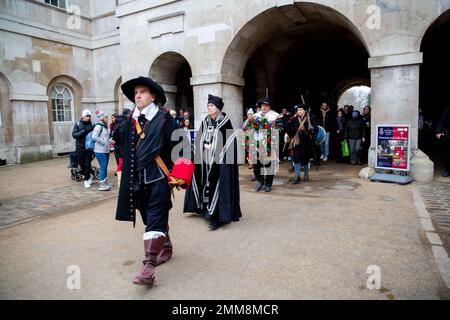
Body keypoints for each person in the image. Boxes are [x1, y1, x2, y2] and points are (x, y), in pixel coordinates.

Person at [115, 76, 177, 287]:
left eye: (142, 92)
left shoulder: (166, 120)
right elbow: (119, 141)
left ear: (153, 96)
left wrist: (180, 173)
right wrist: (125, 121)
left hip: (159, 178)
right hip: (136, 179)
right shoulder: (130, 121)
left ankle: (148, 267)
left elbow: (182, 147)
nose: (137, 95)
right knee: (149, 219)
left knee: (156, 216)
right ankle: (166, 246)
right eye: (135, 93)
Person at [184, 94, 242, 230]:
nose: (209, 108)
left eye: (211, 106)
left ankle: (218, 216)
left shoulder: (225, 122)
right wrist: (203, 145)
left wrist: (214, 147)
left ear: (217, 108)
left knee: (218, 186)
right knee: (203, 182)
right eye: (208, 105)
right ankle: (204, 209)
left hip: (220, 162)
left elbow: (229, 144)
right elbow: (199, 138)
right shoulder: (205, 121)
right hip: (205, 161)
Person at [252, 97, 284, 193]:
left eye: (266, 105)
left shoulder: (276, 116)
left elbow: (281, 129)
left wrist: (271, 129)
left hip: (270, 144)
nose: (264, 107)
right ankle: (261, 181)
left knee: (269, 166)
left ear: (269, 106)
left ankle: (268, 184)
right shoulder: (255, 116)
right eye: (262, 105)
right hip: (257, 145)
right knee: (256, 167)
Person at [287, 105, 316, 183]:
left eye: (301, 110)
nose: (299, 111)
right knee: (296, 159)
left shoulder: (309, 119)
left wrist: (310, 129)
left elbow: (315, 129)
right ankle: (297, 176)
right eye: (298, 110)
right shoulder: (294, 120)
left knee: (305, 159)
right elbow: (289, 130)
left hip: (306, 143)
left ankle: (306, 175)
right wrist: (297, 129)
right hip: (297, 143)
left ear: (304, 111)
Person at [72, 109, 95, 188]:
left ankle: (86, 180)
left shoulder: (92, 124)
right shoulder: (78, 124)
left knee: (87, 164)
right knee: (81, 164)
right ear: (83, 116)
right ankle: (90, 174)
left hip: (89, 148)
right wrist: (83, 132)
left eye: (89, 116)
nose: (88, 117)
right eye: (87, 116)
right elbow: (74, 135)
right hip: (80, 148)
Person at [93, 110, 112, 191]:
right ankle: (102, 184)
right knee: (103, 167)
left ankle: (105, 182)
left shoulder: (104, 126)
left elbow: (105, 137)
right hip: (100, 150)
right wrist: (103, 142)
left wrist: (110, 141)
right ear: (102, 118)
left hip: (105, 150)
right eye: (106, 117)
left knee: (104, 167)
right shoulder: (99, 126)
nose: (107, 119)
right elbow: (94, 137)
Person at [436, 107, 450, 177]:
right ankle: (447, 170)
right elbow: (441, 121)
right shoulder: (448, 110)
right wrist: (438, 131)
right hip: (449, 135)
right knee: (448, 154)